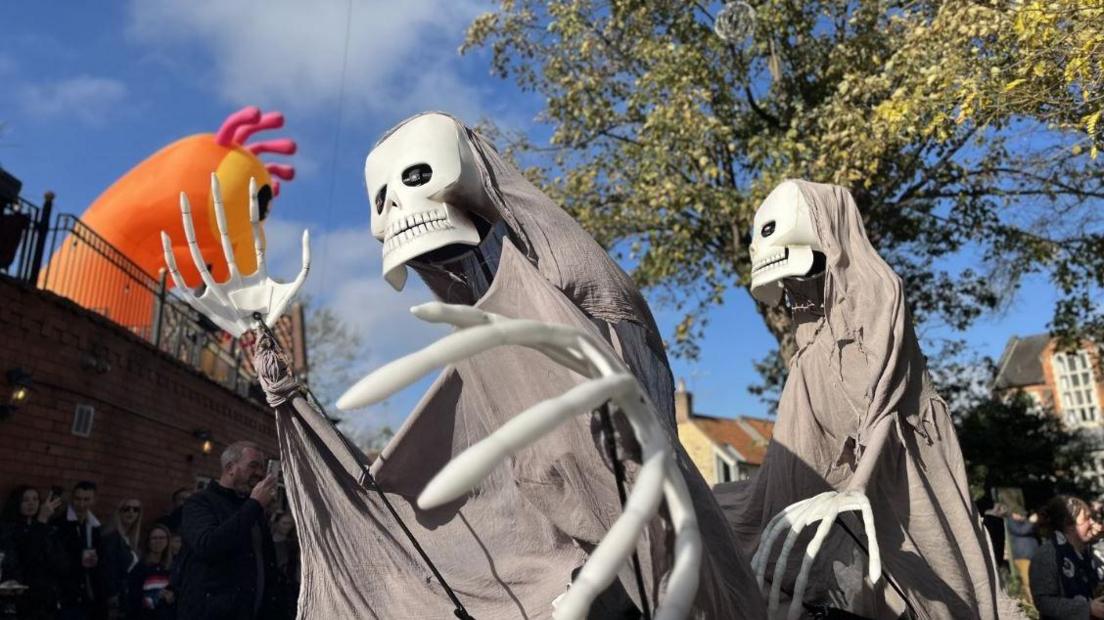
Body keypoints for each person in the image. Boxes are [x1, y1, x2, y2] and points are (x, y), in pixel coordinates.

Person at [177, 441, 284, 619]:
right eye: (253, 466)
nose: (259, 473)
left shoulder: (251, 508)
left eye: (262, 467)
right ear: (230, 468)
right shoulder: (200, 502)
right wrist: (254, 504)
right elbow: (207, 545)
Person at [1030, 495, 1104, 619]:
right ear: (1069, 524)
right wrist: (1088, 608)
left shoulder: (1085, 551)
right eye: (1087, 518)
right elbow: (1043, 601)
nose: (1092, 523)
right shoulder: (1047, 555)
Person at [0, 485, 65, 619]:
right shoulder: (9, 529)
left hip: (47, 598)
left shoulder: (50, 530)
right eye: (26, 500)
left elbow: (61, 562)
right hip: (21, 598)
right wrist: (41, 522)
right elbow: (26, 557)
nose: (31, 503)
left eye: (35, 499)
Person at [51, 480, 108, 620]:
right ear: (72, 498)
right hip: (68, 595)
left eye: (86, 499)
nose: (81, 504)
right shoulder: (60, 524)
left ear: (94, 500)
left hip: (91, 593)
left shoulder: (95, 526)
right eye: (78, 499)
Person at [100, 499, 142, 617]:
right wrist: (113, 596)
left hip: (126, 598)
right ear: (119, 512)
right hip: (113, 599)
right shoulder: (112, 537)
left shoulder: (131, 539)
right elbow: (108, 569)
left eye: (136, 510)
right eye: (126, 509)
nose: (131, 512)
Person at [126, 525, 175, 620]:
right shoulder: (139, 568)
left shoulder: (172, 568)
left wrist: (171, 597)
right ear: (148, 541)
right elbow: (133, 600)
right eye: (154, 538)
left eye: (162, 538)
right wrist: (155, 596)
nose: (158, 541)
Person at [1007, 510, 1040, 603]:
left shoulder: (1024, 523)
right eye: (1019, 513)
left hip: (1032, 557)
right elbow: (1022, 531)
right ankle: (1032, 603)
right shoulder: (1011, 522)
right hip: (1023, 558)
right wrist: (1031, 521)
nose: (1023, 516)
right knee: (1028, 582)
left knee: (1036, 581)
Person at [269, 511, 299, 613]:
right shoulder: (268, 543)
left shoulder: (292, 545)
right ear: (277, 523)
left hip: (287, 585)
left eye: (290, 524)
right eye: (284, 523)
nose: (287, 527)